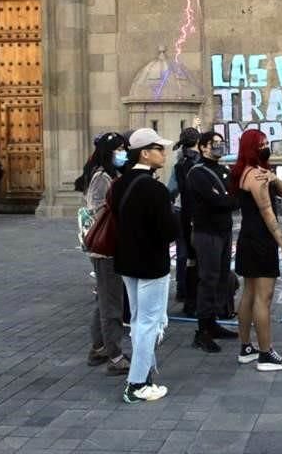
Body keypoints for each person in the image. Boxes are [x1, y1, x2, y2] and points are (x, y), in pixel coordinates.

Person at [112, 128, 177, 404]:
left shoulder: (120, 184)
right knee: (149, 322)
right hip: (151, 262)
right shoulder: (154, 189)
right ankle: (136, 383)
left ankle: (144, 375)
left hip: (128, 260)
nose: (164, 153)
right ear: (145, 153)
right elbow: (168, 230)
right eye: (159, 149)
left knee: (139, 320)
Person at [231, 129, 282, 371]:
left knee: (249, 293)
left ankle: (246, 348)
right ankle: (266, 354)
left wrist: (273, 177)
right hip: (261, 240)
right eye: (262, 144)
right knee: (263, 298)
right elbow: (268, 213)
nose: (266, 148)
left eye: (267, 143)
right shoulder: (255, 176)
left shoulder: (250, 172)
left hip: (248, 238)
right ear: (251, 148)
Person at [82, 132, 131, 377]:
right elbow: (98, 209)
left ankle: (99, 347)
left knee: (104, 299)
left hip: (111, 246)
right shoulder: (102, 177)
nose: (123, 153)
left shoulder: (112, 175)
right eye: (119, 149)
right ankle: (115, 355)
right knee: (112, 303)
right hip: (106, 247)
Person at [188, 131, 241, 352]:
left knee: (221, 277)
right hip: (206, 232)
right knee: (208, 280)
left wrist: (229, 198)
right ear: (203, 147)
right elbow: (219, 201)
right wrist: (228, 198)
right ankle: (202, 331)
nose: (219, 146)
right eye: (214, 143)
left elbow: (233, 197)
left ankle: (212, 324)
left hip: (223, 231)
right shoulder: (198, 173)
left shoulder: (223, 170)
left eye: (221, 142)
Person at [171, 125, 201, 307]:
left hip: (180, 210)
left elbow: (171, 188)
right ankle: (192, 289)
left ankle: (182, 289)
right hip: (194, 212)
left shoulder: (179, 162)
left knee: (183, 252)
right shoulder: (199, 162)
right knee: (195, 252)